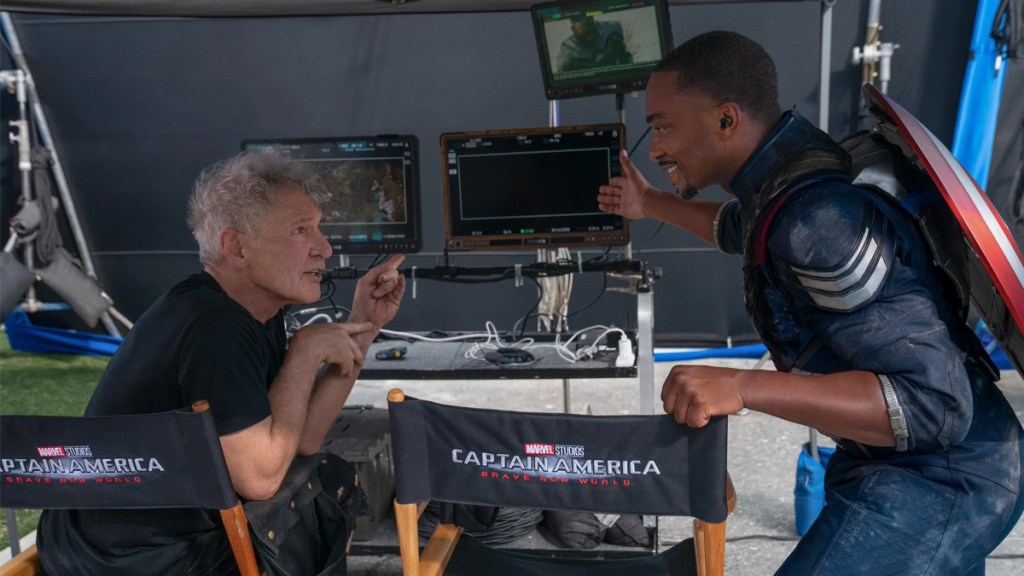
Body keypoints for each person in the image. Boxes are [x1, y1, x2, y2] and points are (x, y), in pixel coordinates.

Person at [598, 30, 1024, 575]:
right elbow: (738, 227)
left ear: (726, 120)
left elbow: (932, 404)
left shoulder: (819, 221)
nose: (655, 148)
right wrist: (651, 203)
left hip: (943, 474)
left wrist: (741, 386)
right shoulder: (790, 179)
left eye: (662, 127)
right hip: (903, 460)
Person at [36, 152, 406, 576]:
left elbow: (302, 439)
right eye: (300, 230)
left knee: (330, 475)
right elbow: (261, 479)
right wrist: (304, 353)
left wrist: (364, 325)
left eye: (318, 228)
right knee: (322, 497)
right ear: (237, 247)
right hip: (130, 558)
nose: (324, 248)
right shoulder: (212, 325)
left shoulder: (249, 310)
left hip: (123, 538)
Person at [555, 14, 632, 73]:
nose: (590, 38)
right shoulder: (568, 50)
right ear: (573, 30)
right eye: (585, 35)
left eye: (592, 32)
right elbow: (562, 76)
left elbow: (626, 58)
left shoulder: (612, 29)